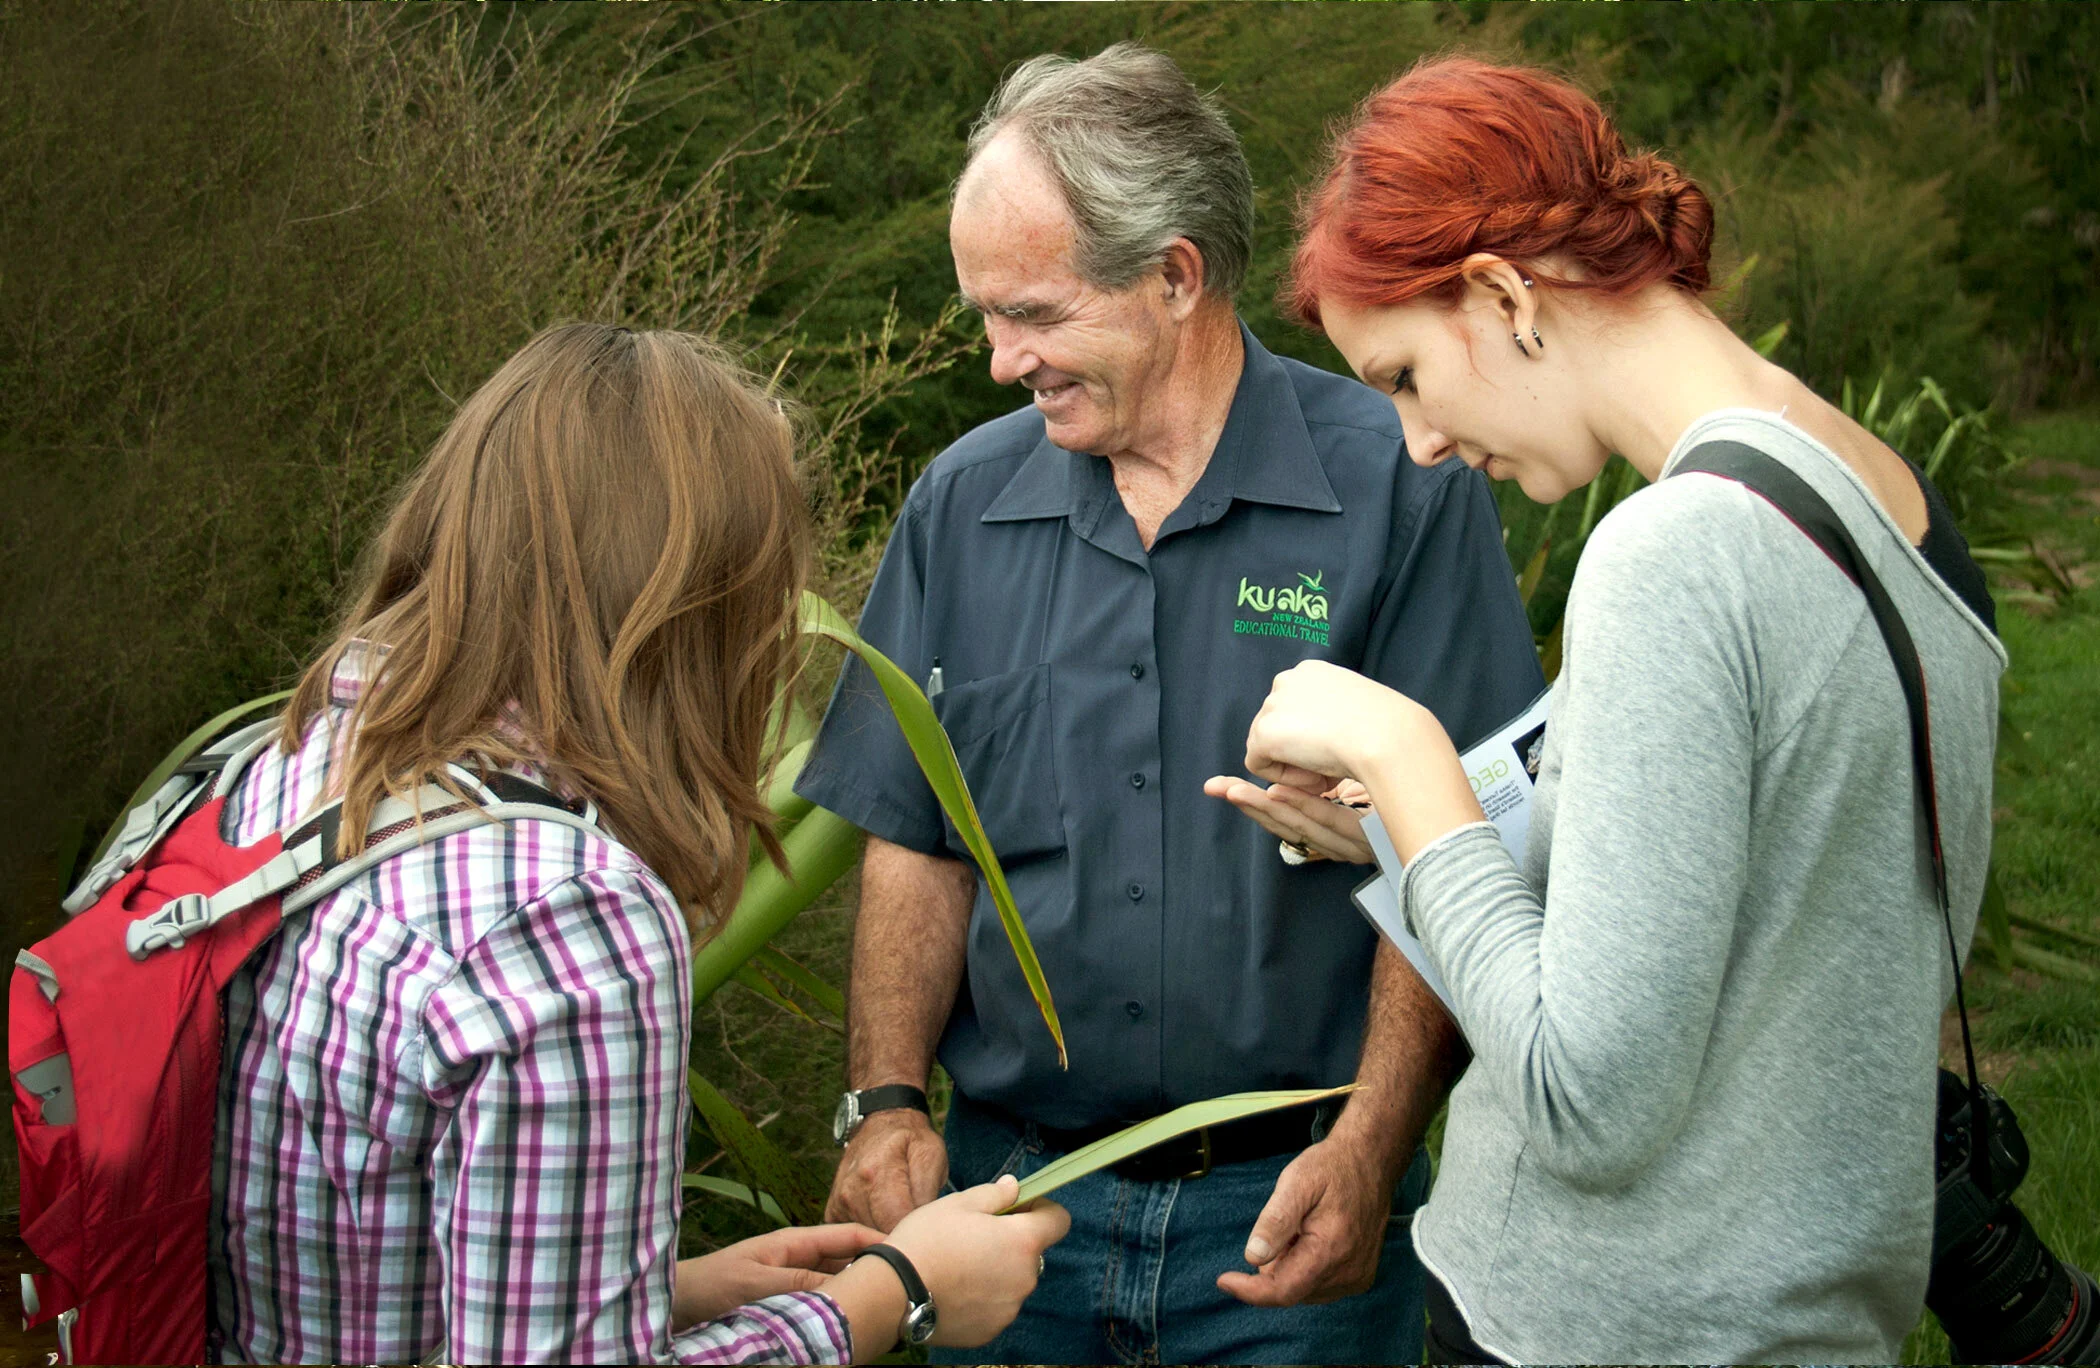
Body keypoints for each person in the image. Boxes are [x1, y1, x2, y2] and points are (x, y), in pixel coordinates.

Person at [1215, 57, 2005, 1364]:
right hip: (1800, 1311)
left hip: (1600, 1323)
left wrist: (1403, 753)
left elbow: (1589, 1103)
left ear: (1502, 294)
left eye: (1405, 374)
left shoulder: (1672, 554)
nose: (1416, 442)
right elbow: (1778, 900)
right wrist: (1424, 833)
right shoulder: (1882, 502)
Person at [794, 45, 1542, 1367]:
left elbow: (1475, 836)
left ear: (1176, 276)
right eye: (982, 313)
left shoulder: (1401, 486)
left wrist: (1374, 1145)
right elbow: (912, 837)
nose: (994, 360)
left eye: (1030, 313)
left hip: (1291, 1209)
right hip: (1004, 1212)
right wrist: (883, 1103)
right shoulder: (961, 510)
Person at [207, 323, 1068, 1365]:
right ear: (698, 606)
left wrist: (661, 1291)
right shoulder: (569, 918)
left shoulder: (289, 769)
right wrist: (901, 1295)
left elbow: (340, 1247)